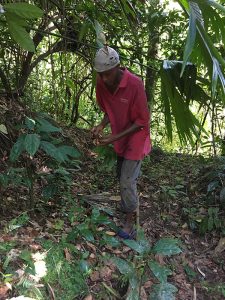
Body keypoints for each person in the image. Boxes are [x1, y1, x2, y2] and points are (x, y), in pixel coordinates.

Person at [91, 46, 151, 239]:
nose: (104, 79)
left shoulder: (135, 84)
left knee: (126, 179)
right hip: (120, 134)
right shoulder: (102, 83)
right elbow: (109, 108)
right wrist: (101, 125)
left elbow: (142, 121)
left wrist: (112, 138)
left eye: (108, 74)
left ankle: (130, 220)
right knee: (122, 176)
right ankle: (129, 203)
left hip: (136, 135)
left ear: (118, 67)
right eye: (101, 75)